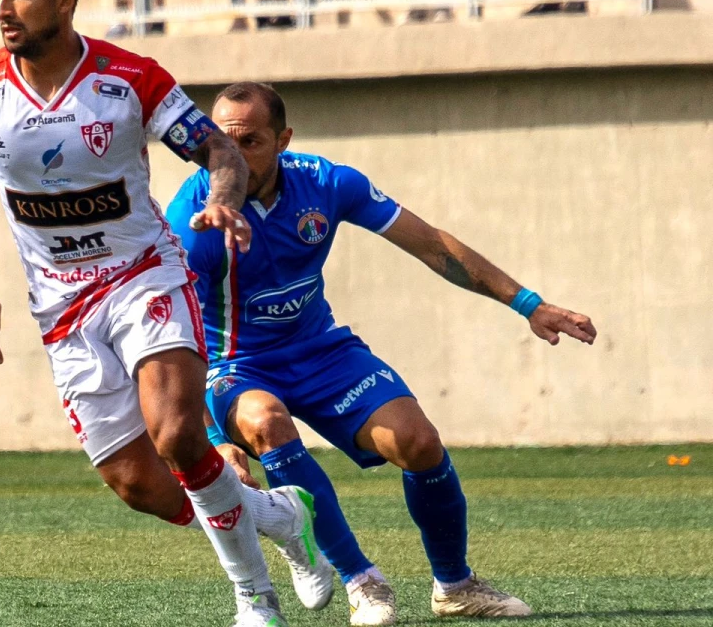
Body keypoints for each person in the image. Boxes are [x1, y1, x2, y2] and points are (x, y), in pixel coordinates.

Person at [0, 0, 333, 627]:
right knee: (136, 483)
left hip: (142, 277)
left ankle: (255, 598)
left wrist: (225, 197)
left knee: (179, 434)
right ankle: (278, 515)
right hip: (60, 305)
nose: (4, 9)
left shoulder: (128, 80)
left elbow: (215, 147)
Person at [167, 83, 598, 625]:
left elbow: (432, 245)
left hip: (320, 349)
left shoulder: (326, 183)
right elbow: (177, 339)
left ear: (284, 140)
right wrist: (212, 440)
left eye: (249, 141)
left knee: (418, 442)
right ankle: (360, 580)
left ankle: (455, 585)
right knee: (267, 422)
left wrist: (529, 304)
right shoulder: (195, 221)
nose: (230, 156)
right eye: (218, 144)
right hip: (235, 365)